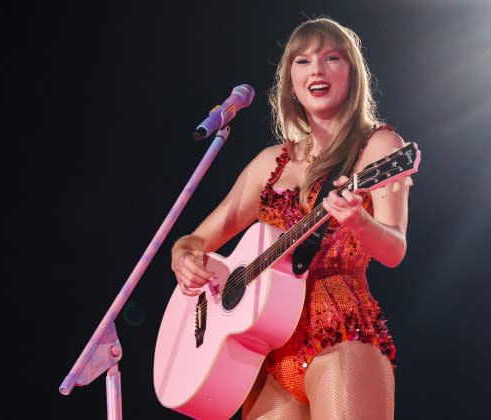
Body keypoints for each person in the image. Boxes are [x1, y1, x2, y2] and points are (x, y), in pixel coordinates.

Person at [170, 16, 409, 420]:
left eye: (332, 58)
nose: (317, 69)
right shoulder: (270, 165)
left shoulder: (380, 146)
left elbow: (395, 249)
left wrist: (358, 222)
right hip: (267, 354)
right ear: (290, 81)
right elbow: (195, 240)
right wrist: (184, 257)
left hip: (342, 335)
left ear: (351, 73)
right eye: (303, 60)